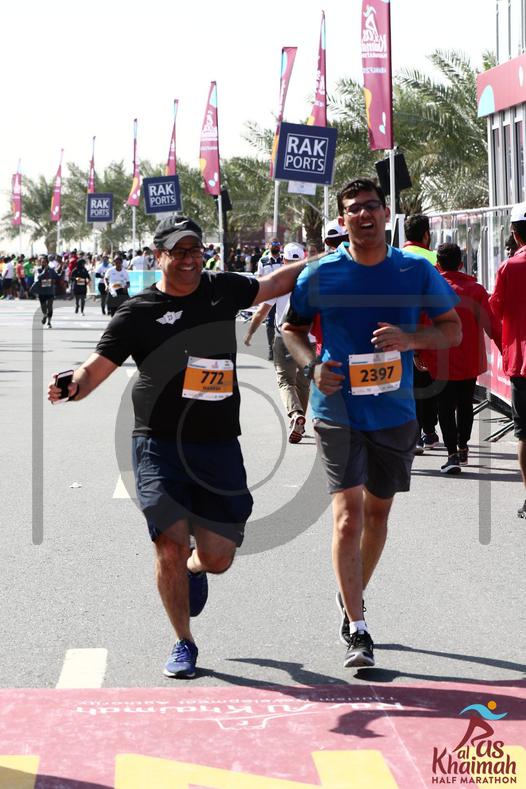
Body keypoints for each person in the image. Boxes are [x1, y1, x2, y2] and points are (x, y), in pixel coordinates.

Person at [47, 215, 306, 679]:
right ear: (159, 255)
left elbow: (276, 283)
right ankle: (184, 641)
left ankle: (195, 566)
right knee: (167, 543)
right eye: (179, 251)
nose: (189, 259)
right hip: (158, 442)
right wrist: (73, 385)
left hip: (217, 443)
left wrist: (337, 253)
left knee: (219, 557)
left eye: (195, 250)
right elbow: (95, 368)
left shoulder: (222, 289)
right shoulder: (138, 312)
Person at [281, 177, 461, 668]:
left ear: (386, 214)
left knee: (378, 515)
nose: (364, 214)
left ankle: (350, 595)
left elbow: (452, 331)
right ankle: (358, 627)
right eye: (354, 209)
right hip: (337, 410)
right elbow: (292, 329)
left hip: (394, 412)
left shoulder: (413, 270)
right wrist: (311, 367)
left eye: (372, 206)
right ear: (343, 221)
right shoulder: (320, 274)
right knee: (348, 516)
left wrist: (410, 337)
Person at [420, 243, 501, 474]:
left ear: (437, 264)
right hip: (469, 359)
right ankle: (463, 447)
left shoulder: (431, 290)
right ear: (461, 263)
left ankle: (452, 455)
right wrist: (506, 350)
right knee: (465, 404)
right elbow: (491, 325)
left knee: (445, 406)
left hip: (440, 358)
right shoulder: (476, 290)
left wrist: (418, 352)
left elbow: (421, 322)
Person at [244, 242, 314, 443]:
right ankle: (300, 422)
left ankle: (295, 414)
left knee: (285, 381)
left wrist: (250, 331)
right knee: (303, 383)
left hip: (284, 338)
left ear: (283, 260)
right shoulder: (314, 282)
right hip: (309, 340)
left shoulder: (280, 284)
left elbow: (262, 311)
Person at [489, 202, 526, 518]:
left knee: (525, 434)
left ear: (515, 233)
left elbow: (495, 311)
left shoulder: (508, 268)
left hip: (521, 363)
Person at [402, 214, 441, 455]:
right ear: (426, 235)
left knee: (408, 386)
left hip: (400, 333)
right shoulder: (433, 259)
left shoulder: (393, 257)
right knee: (428, 384)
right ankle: (428, 431)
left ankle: (415, 434)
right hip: (427, 332)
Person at [257, 239, 283, 361]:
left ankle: (283, 349)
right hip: (269, 295)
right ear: (268, 246)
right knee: (270, 322)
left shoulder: (284, 259)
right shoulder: (263, 261)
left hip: (283, 295)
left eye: (278, 244)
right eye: (274, 244)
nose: (276, 246)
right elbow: (259, 278)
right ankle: (271, 349)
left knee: (284, 321)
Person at [33, 255, 62, 328]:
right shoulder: (38, 270)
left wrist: (62, 270)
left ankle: (49, 322)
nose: (43, 263)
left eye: (44, 262)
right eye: (42, 262)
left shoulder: (51, 270)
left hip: (50, 291)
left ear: (47, 262)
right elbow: (38, 277)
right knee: (43, 307)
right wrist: (44, 271)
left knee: (50, 306)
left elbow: (58, 277)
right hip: (41, 291)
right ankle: (45, 315)